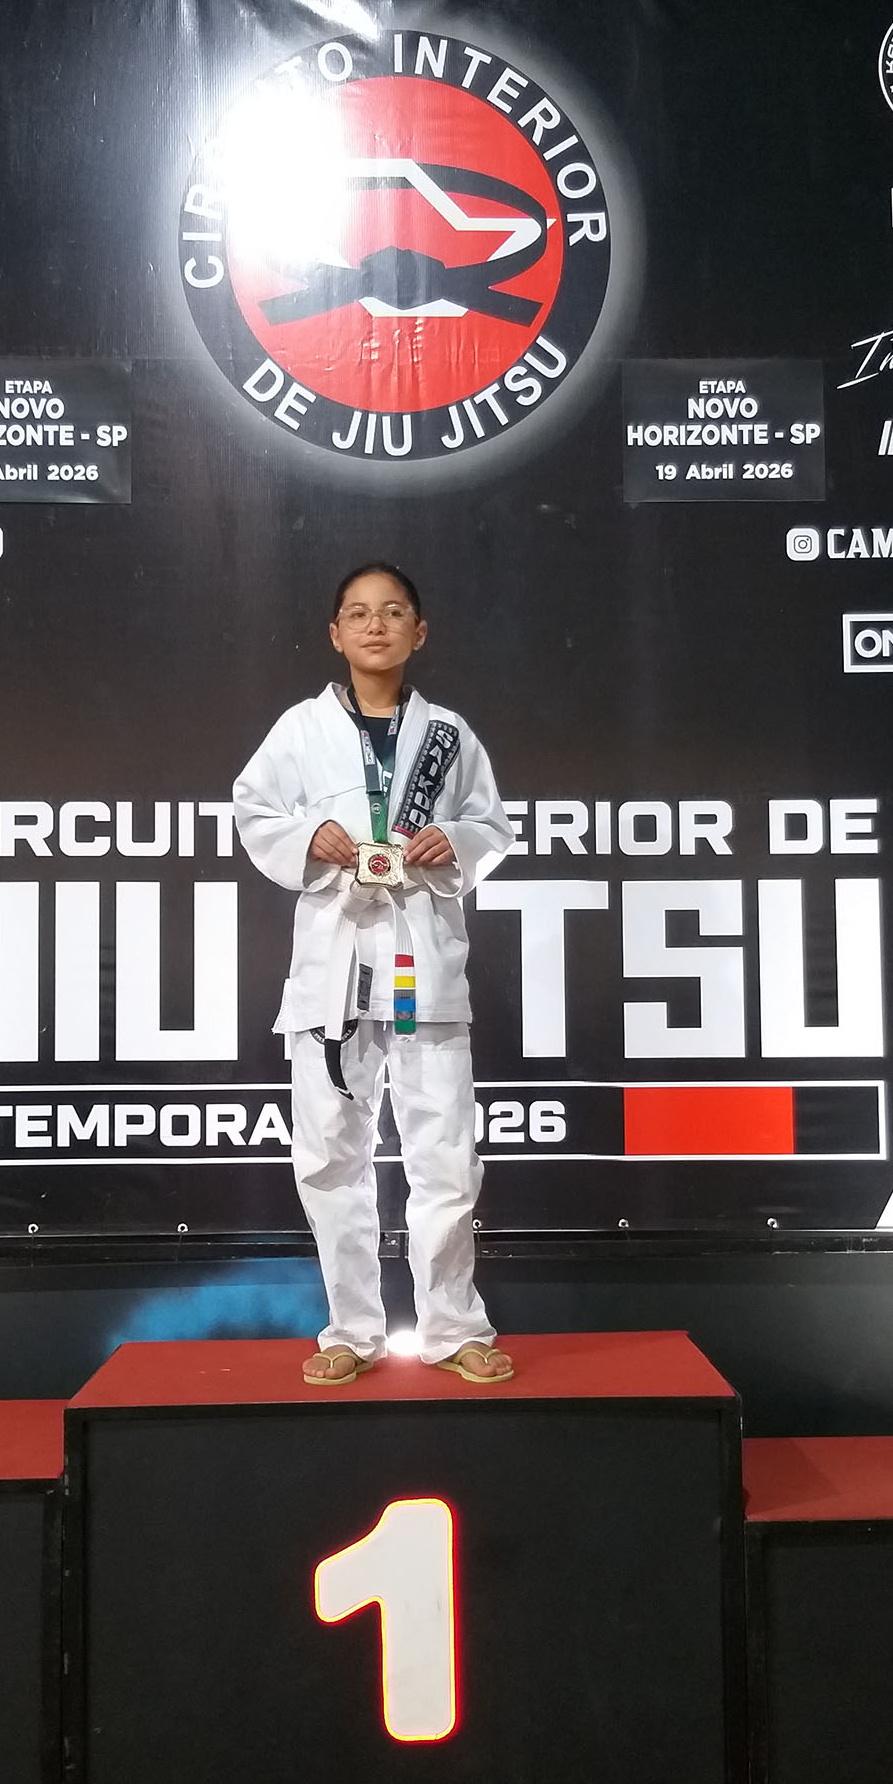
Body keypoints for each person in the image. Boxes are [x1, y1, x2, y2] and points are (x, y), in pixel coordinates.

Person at [234, 563, 517, 1386]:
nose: (375, 625)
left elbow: (490, 824)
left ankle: (453, 1328)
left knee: (446, 1157)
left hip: (422, 969)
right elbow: (254, 809)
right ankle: (351, 1331)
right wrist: (310, 837)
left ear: (418, 632)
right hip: (334, 973)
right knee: (330, 1157)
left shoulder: (449, 735)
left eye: (393, 612)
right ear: (336, 633)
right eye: (358, 613)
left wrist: (454, 842)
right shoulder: (300, 729)